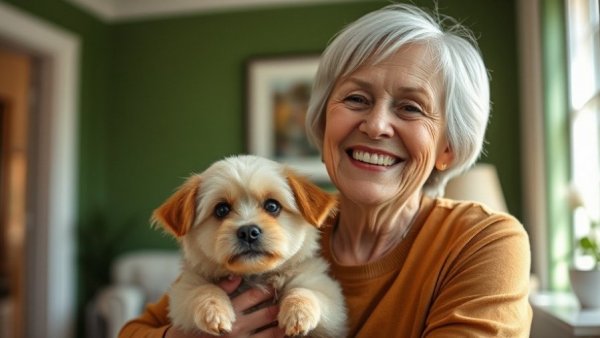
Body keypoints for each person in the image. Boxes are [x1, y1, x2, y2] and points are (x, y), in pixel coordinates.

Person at [119, 3, 532, 338]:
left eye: (410, 107)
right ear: (322, 125)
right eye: (356, 98)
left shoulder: (484, 244)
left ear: (447, 147)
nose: (376, 125)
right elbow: (135, 331)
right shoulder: (270, 250)